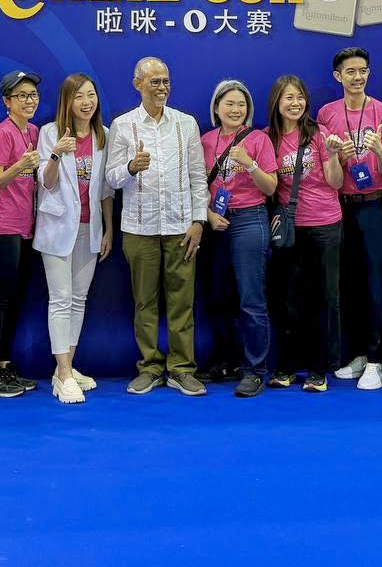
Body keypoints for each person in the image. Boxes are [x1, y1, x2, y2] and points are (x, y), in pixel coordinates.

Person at [105, 57, 208, 397]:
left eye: (165, 81)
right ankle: (149, 367)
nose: (162, 87)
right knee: (144, 303)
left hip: (181, 226)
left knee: (182, 302)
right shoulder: (122, 125)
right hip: (138, 227)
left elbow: (197, 175)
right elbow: (111, 178)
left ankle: (181, 369)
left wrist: (198, 220)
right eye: (154, 82)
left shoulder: (186, 123)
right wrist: (131, 167)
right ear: (138, 85)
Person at [316, 47, 382, 391]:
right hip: (338, 207)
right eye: (350, 72)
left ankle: (377, 358)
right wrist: (338, 155)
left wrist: (379, 150)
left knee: (375, 283)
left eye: (363, 70)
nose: (357, 77)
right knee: (346, 283)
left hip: (373, 206)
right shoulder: (326, 114)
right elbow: (329, 171)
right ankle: (358, 355)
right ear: (338, 76)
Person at [35, 74, 114, 404]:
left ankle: (67, 366)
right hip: (57, 228)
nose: (87, 101)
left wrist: (109, 228)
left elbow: (106, 190)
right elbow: (45, 182)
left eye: (91, 95)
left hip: (90, 228)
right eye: (79, 96)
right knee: (61, 298)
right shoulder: (50, 132)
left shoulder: (103, 136)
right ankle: (63, 374)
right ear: (67, 100)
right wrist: (55, 154)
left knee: (79, 298)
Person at [266, 75, 343, 393]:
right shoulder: (266, 138)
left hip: (324, 226)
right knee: (287, 301)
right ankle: (285, 367)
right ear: (277, 103)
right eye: (288, 98)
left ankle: (318, 370)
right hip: (288, 231)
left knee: (323, 299)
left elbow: (336, 182)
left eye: (299, 97)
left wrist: (335, 155)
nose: (295, 103)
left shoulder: (320, 134)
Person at [201, 79, 278, 397]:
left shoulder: (258, 138)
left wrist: (250, 163)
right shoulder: (205, 140)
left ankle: (255, 369)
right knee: (218, 298)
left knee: (251, 300)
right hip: (215, 221)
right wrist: (207, 214)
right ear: (216, 108)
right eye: (229, 104)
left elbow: (271, 187)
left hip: (249, 219)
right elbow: (196, 182)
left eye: (241, 104)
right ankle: (226, 362)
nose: (236, 109)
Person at [0, 71, 45, 398]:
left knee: (15, 300)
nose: (29, 100)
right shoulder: (2, 133)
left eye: (32, 95)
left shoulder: (33, 131)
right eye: (21, 96)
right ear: (7, 101)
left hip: (26, 227)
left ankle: (4, 364)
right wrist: (20, 165)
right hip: (2, 226)